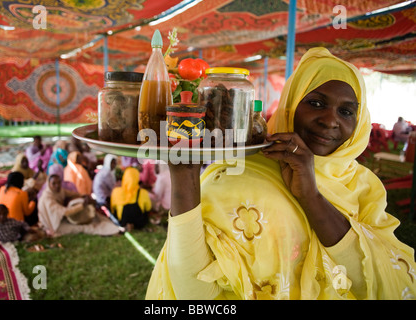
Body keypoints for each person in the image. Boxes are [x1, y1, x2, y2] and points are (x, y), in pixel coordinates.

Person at [146, 47, 416, 300]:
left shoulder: (363, 187)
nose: (330, 120)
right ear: (291, 104)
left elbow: (386, 282)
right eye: (317, 103)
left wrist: (310, 195)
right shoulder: (236, 175)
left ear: (359, 123)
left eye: (346, 111)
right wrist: (184, 175)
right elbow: (194, 294)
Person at [37, 173, 121, 237]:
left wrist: (83, 196)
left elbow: (70, 194)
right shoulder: (47, 199)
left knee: (95, 217)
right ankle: (112, 231)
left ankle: (115, 226)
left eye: (59, 183)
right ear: (49, 184)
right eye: (54, 183)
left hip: (61, 218)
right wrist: (82, 206)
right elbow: (65, 212)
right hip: (54, 225)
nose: (57, 186)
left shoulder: (58, 191)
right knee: (82, 228)